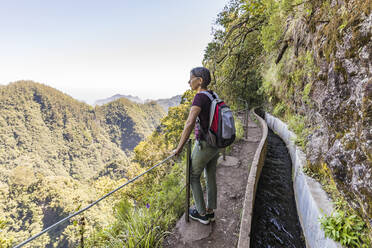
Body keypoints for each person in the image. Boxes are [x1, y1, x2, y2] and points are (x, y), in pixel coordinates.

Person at [173, 66, 219, 225]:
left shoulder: (199, 97)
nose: (188, 81)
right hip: (217, 143)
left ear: (199, 80)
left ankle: (201, 214)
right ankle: (211, 212)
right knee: (210, 174)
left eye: (190, 78)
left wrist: (179, 148)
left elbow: (189, 122)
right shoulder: (213, 95)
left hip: (205, 144)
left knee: (192, 176)